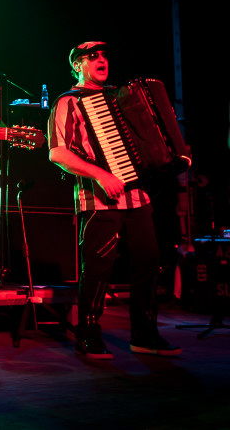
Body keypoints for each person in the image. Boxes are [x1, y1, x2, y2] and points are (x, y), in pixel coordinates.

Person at [47, 40, 182, 359]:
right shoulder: (69, 101)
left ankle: (145, 335)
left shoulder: (122, 99)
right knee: (97, 268)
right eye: (92, 56)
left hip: (138, 196)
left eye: (105, 54)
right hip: (99, 201)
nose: (101, 59)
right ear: (77, 64)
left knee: (149, 263)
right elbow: (57, 151)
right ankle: (89, 333)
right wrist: (101, 175)